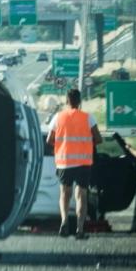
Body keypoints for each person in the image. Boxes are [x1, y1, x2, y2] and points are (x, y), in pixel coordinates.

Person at [47, 88, 102, 239]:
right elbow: (98, 139)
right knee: (81, 195)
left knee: (65, 194)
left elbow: (49, 140)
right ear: (79, 102)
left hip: (65, 162)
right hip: (84, 162)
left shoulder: (58, 117)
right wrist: (86, 144)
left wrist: (62, 145)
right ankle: (80, 229)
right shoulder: (88, 118)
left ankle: (64, 222)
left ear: (66, 101)